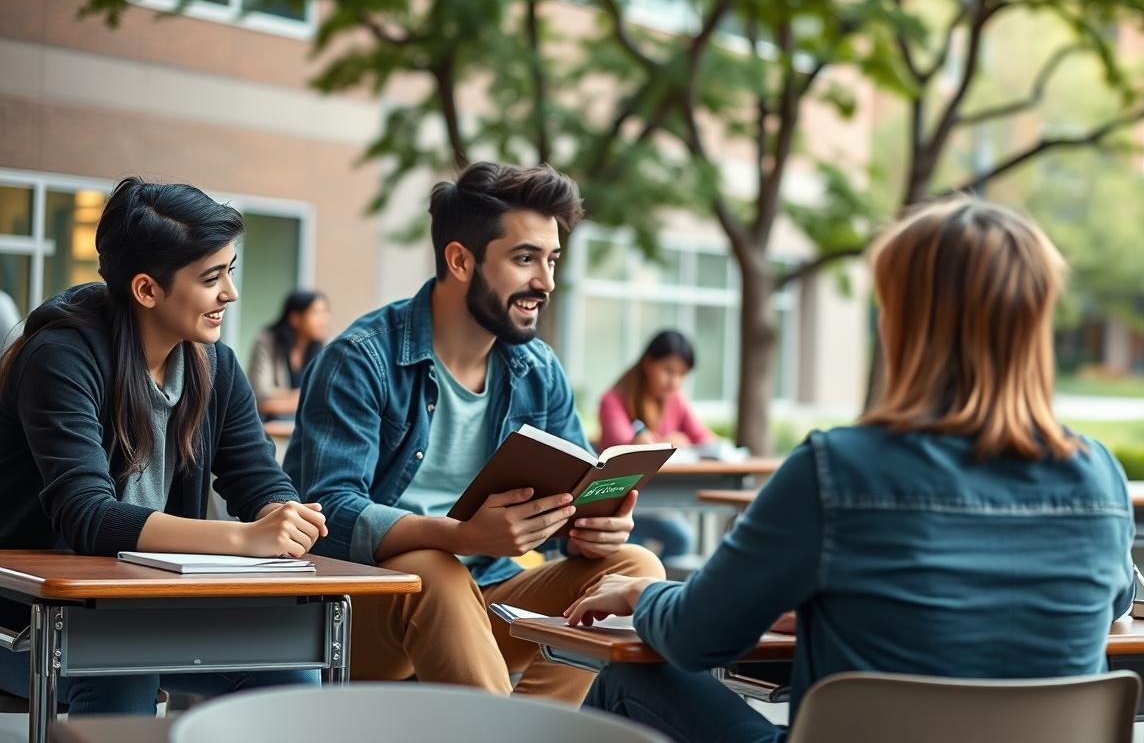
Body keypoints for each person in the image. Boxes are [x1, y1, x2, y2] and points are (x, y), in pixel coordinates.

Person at [565, 197, 1136, 743]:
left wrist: (642, 592)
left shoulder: (835, 472)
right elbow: (1111, 606)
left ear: (904, 328)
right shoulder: (1100, 479)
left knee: (629, 679)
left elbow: (696, 637)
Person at [285, 161, 663, 703]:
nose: (546, 282)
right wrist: (458, 536)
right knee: (434, 571)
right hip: (362, 611)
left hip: (485, 595)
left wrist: (592, 527)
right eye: (525, 259)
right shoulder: (362, 358)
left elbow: (577, 486)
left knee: (634, 567)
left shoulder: (537, 369)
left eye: (552, 260)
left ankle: (534, 729)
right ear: (461, 260)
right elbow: (329, 514)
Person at [0, 177, 326, 716]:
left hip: (146, 604)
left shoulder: (214, 364)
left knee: (289, 668)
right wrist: (244, 538)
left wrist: (280, 514)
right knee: (123, 666)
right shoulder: (60, 359)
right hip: (28, 614)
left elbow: (256, 477)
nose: (230, 293)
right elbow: (87, 515)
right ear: (147, 290)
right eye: (211, 278)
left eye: (230, 271)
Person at [598, 330, 714, 559]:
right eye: (668, 370)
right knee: (677, 537)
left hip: (659, 500)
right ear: (648, 363)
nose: (674, 381)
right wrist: (669, 442)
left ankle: (653, 577)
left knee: (680, 538)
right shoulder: (613, 400)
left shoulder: (675, 400)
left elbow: (704, 438)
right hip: (620, 501)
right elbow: (623, 446)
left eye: (682, 374)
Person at [249, 289, 331, 420]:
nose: (324, 320)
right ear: (295, 318)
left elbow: (326, 393)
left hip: (300, 421)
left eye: (325, 312)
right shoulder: (267, 342)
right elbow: (261, 394)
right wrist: (304, 396)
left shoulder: (322, 348)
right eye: (316, 313)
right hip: (269, 421)